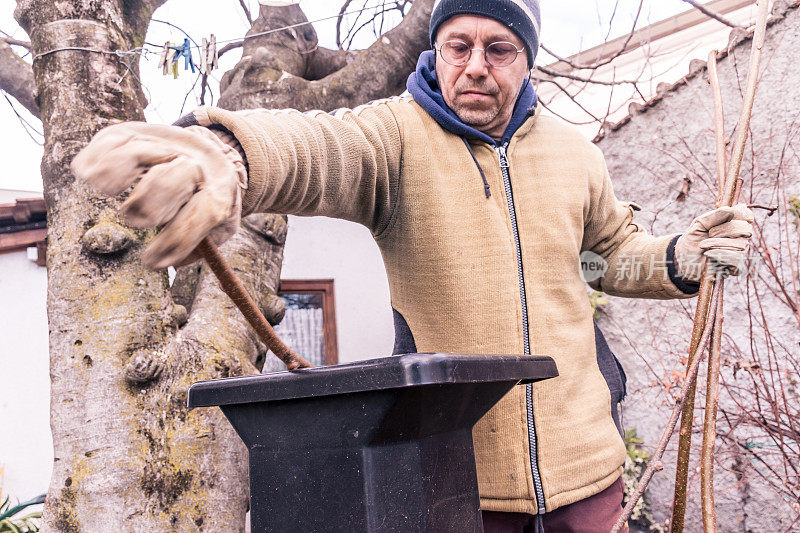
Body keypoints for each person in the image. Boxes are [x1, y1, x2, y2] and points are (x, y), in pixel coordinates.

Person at [71, 0, 754, 530]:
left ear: (528, 60)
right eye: (459, 45)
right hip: (458, 478)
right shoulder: (393, 139)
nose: (476, 64)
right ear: (437, 49)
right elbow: (317, 151)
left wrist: (677, 258)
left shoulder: (575, 155)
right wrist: (229, 155)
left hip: (590, 475)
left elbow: (606, 261)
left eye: (499, 47)